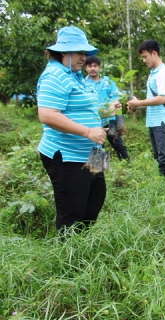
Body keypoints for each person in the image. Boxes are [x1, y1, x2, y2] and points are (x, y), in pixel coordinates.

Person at [37, 26, 120, 233]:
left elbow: (88, 109)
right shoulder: (54, 75)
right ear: (64, 52)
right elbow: (47, 115)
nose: (84, 58)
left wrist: (110, 109)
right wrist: (88, 132)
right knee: (72, 212)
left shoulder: (75, 75)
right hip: (67, 155)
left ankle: (82, 243)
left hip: (93, 152)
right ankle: (67, 258)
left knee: (96, 199)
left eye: (85, 53)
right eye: (80, 53)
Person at [127, 40, 165, 187]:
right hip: (153, 120)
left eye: (145, 57)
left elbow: (162, 98)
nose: (144, 60)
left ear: (154, 53)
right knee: (158, 156)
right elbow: (153, 99)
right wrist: (136, 106)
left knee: (164, 157)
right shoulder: (153, 73)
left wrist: (138, 103)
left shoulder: (163, 73)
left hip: (162, 121)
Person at [85, 55, 130, 162]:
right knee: (98, 145)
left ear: (99, 68)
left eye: (95, 66)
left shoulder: (108, 82)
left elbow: (116, 97)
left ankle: (127, 165)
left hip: (110, 120)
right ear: (86, 68)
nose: (92, 68)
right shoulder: (83, 84)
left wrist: (111, 107)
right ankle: (99, 170)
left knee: (117, 143)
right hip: (93, 120)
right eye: (90, 66)